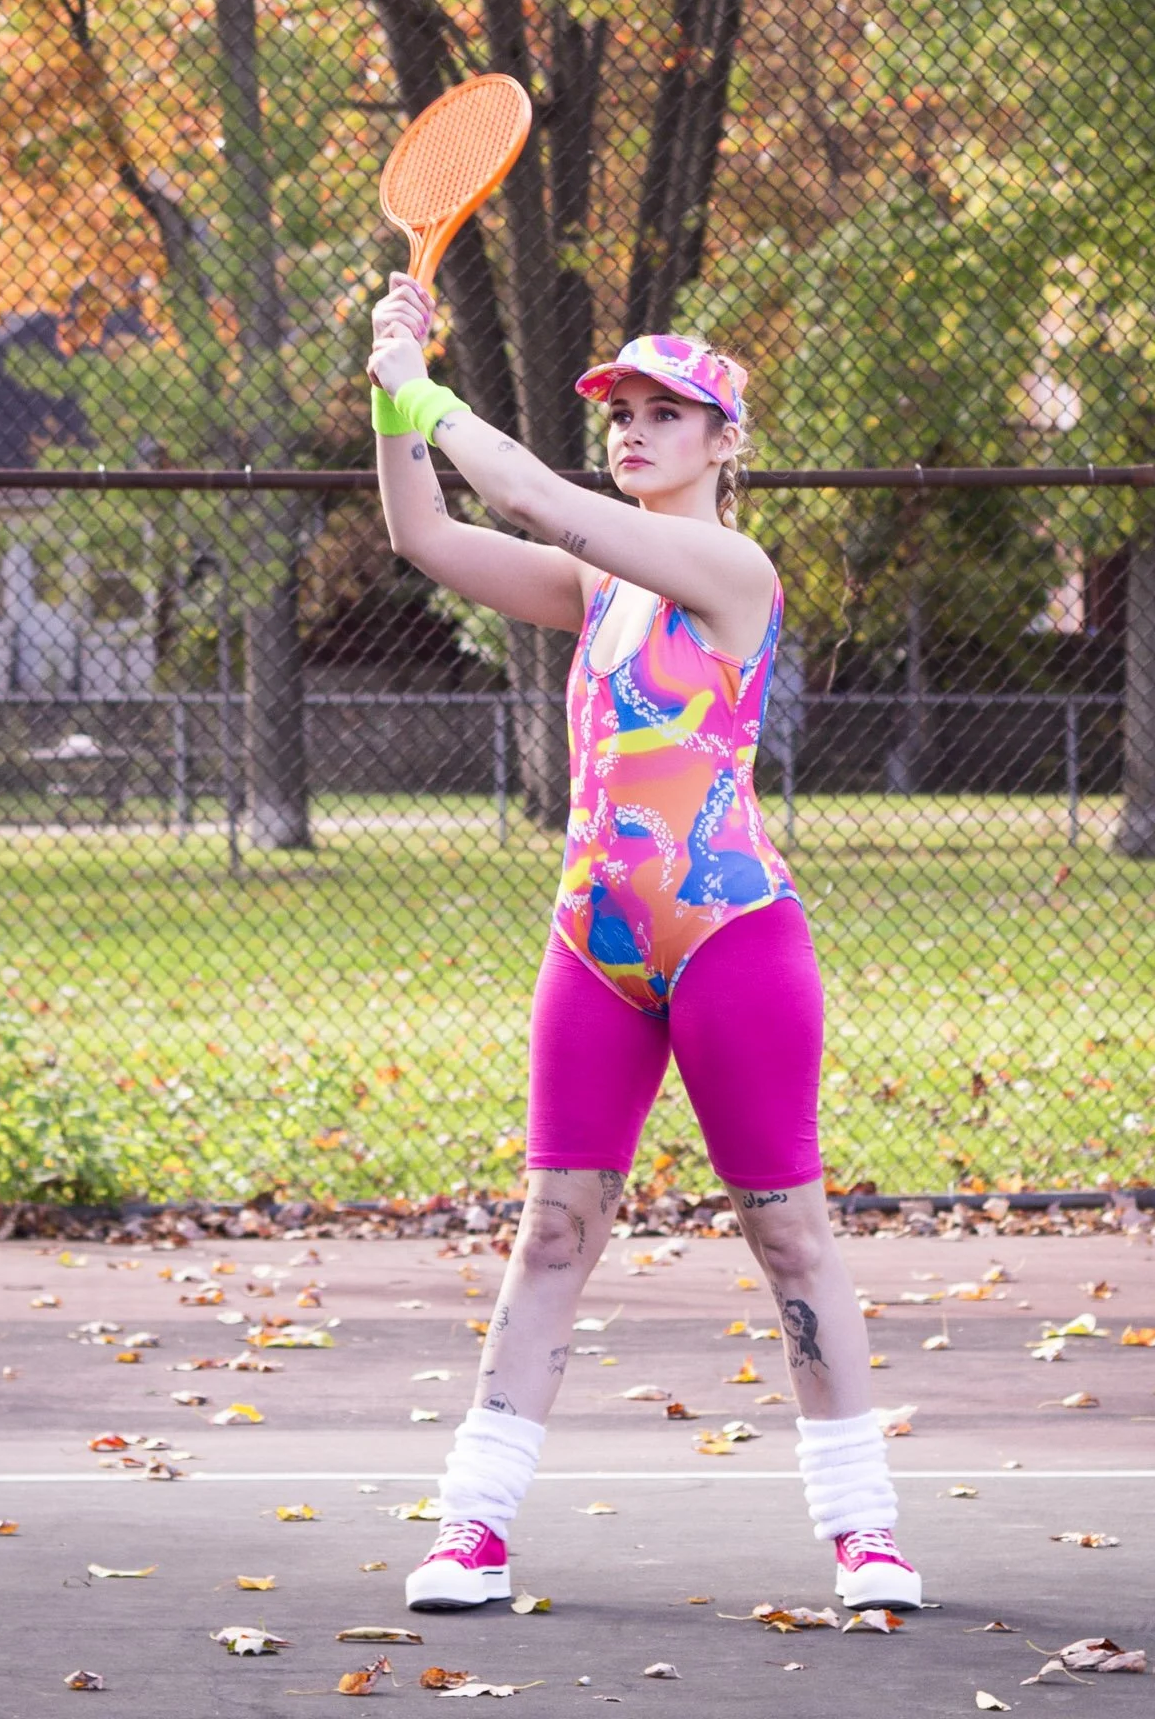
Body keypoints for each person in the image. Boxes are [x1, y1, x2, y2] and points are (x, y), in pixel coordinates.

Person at [366, 272, 921, 1616]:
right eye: (622, 408)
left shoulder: (732, 568)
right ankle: (471, 1528)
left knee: (788, 1236)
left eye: (669, 412)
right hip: (594, 946)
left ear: (727, 443)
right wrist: (392, 388)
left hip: (731, 938)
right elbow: (426, 536)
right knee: (552, 1230)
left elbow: (547, 501)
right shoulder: (595, 588)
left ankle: (865, 1535)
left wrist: (437, 394)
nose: (634, 428)